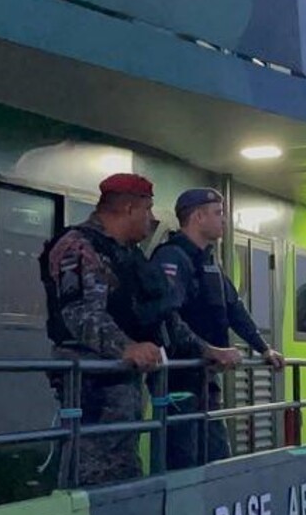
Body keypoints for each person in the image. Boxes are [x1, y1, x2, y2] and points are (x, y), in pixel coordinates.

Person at [40, 174, 240, 486]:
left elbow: (164, 316)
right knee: (92, 478)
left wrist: (206, 350)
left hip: (125, 386)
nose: (153, 217)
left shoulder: (131, 257)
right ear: (129, 208)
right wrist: (126, 348)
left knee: (125, 473)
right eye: (147, 209)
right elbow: (79, 314)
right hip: (91, 389)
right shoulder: (77, 247)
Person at [151, 188, 284, 469]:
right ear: (198, 217)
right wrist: (210, 350)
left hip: (206, 381)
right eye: (218, 213)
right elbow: (166, 318)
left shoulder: (209, 261)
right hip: (178, 382)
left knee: (216, 461)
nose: (224, 220)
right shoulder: (172, 258)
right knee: (182, 464)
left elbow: (235, 309)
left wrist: (264, 348)